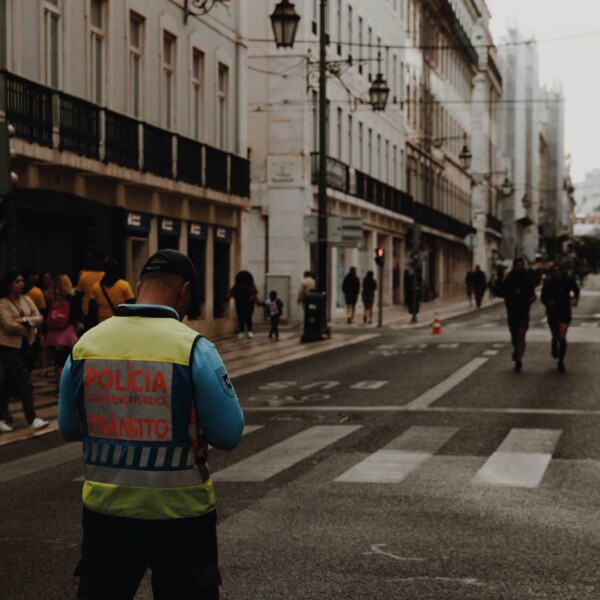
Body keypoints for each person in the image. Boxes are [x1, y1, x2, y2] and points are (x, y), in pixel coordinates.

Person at [58, 248, 245, 600]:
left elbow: (69, 427)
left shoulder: (86, 346)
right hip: (181, 516)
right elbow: (229, 433)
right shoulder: (194, 349)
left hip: (106, 512)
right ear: (185, 290)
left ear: (140, 284)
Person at [0, 271, 49, 432]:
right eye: (17, 281)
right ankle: (31, 417)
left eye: (22, 281)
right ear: (9, 284)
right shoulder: (3, 303)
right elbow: (8, 325)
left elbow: (39, 317)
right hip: (8, 347)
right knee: (24, 381)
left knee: (8, 383)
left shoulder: (27, 299)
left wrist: (24, 321)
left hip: (26, 346)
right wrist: (28, 328)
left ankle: (3, 417)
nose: (21, 284)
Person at [499, 258, 537, 372]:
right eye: (517, 265)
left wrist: (530, 300)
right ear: (514, 266)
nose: (520, 267)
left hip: (524, 310)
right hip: (512, 310)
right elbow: (502, 292)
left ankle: (519, 359)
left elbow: (533, 294)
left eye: (521, 265)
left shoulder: (527, 279)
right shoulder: (509, 279)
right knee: (514, 336)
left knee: (521, 333)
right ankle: (516, 348)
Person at [541, 262, 580, 372]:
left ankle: (561, 361)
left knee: (562, 335)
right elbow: (543, 297)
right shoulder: (548, 282)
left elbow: (575, 289)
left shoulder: (568, 280)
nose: (557, 272)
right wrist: (548, 302)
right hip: (552, 311)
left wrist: (575, 299)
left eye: (559, 269)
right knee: (556, 334)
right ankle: (554, 343)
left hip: (564, 309)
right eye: (555, 270)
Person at [46, 274, 81, 393]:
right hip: (67, 334)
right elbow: (76, 316)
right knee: (67, 361)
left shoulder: (51, 298)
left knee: (57, 362)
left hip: (53, 335)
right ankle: (64, 388)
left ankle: (58, 386)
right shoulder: (72, 298)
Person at [88, 260, 135, 326]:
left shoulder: (96, 287)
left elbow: (92, 310)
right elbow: (131, 306)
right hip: (120, 322)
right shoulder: (124, 285)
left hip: (102, 324)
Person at [24, 269, 48, 372]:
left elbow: (42, 312)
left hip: (35, 324)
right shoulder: (36, 292)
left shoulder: (36, 292)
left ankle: (43, 367)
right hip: (31, 324)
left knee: (38, 346)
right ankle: (43, 368)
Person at [76, 251, 105, 331]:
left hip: (87, 312)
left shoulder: (84, 276)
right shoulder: (106, 276)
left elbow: (78, 296)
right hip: (104, 312)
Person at [229, 270, 258, 339]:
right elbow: (255, 293)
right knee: (247, 317)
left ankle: (243, 331)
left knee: (242, 317)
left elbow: (231, 293)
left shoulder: (238, 286)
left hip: (242, 304)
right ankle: (248, 331)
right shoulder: (250, 286)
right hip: (246, 304)